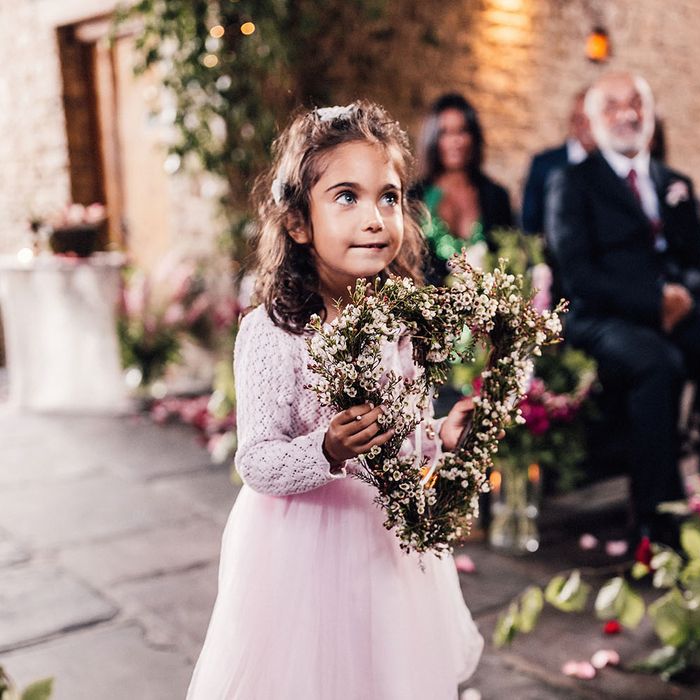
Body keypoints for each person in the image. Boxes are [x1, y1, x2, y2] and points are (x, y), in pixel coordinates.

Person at [186, 102, 483, 699]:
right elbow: (258, 462)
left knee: (389, 674)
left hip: (386, 545)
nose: (375, 218)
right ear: (298, 222)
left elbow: (401, 432)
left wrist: (438, 439)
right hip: (305, 552)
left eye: (389, 197)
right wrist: (324, 448)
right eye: (346, 197)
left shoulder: (396, 319)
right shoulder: (275, 332)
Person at [548, 72, 700, 541]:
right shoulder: (572, 182)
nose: (627, 114)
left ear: (650, 113)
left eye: (637, 104)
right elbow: (576, 273)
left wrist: (682, 293)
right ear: (593, 118)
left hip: (678, 315)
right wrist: (653, 301)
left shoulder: (675, 182)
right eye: (614, 106)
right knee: (657, 364)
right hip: (602, 318)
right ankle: (657, 526)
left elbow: (698, 265)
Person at [415, 93, 515, 285]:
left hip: (488, 311)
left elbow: (508, 261)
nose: (456, 141)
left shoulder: (496, 196)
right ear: (433, 139)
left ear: (474, 137)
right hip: (425, 311)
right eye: (445, 132)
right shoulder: (415, 197)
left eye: (462, 131)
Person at [521, 89, 595, 236]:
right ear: (572, 122)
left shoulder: (613, 164)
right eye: (580, 120)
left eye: (592, 120)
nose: (587, 128)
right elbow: (529, 221)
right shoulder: (544, 164)